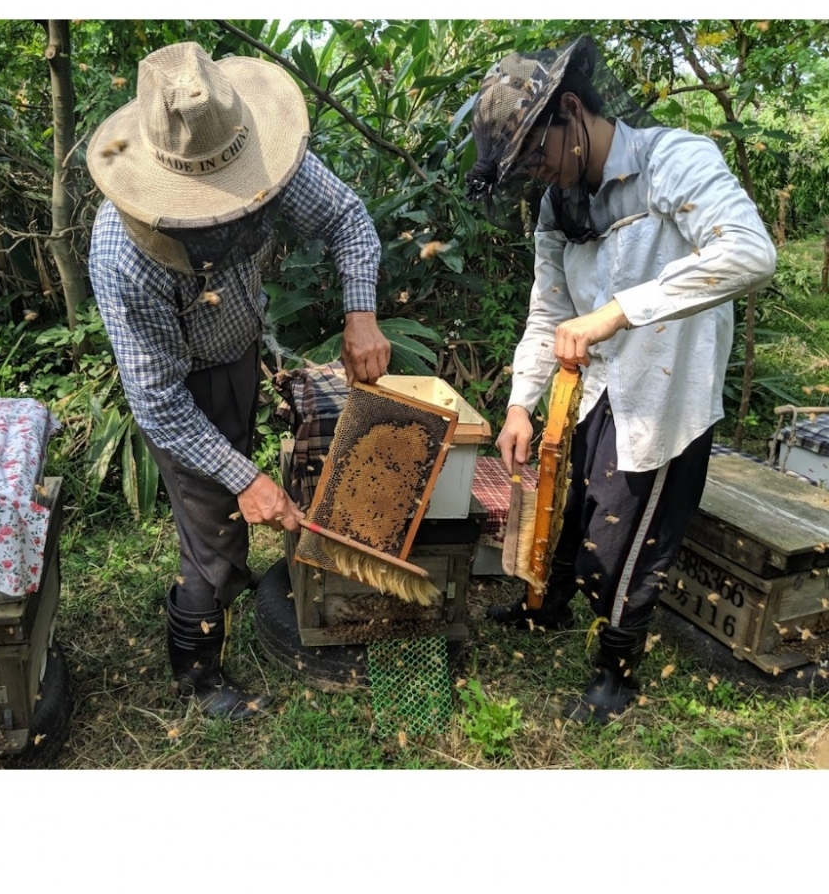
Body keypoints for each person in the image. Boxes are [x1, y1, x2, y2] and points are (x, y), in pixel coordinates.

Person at [465, 36, 777, 723]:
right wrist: (520, 404)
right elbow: (549, 310)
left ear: (571, 111)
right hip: (595, 385)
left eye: (538, 154)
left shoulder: (676, 159)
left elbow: (752, 253)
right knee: (573, 507)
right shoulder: (559, 204)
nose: (538, 175)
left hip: (669, 389)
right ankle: (542, 607)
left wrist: (617, 312)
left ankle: (619, 666)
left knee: (631, 537)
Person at [86, 41, 391, 721]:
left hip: (235, 354)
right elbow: (160, 405)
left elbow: (346, 218)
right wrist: (247, 482)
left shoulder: (253, 149)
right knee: (214, 536)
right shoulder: (121, 256)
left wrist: (362, 314)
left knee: (235, 490)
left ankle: (224, 561)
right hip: (178, 388)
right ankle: (197, 677)